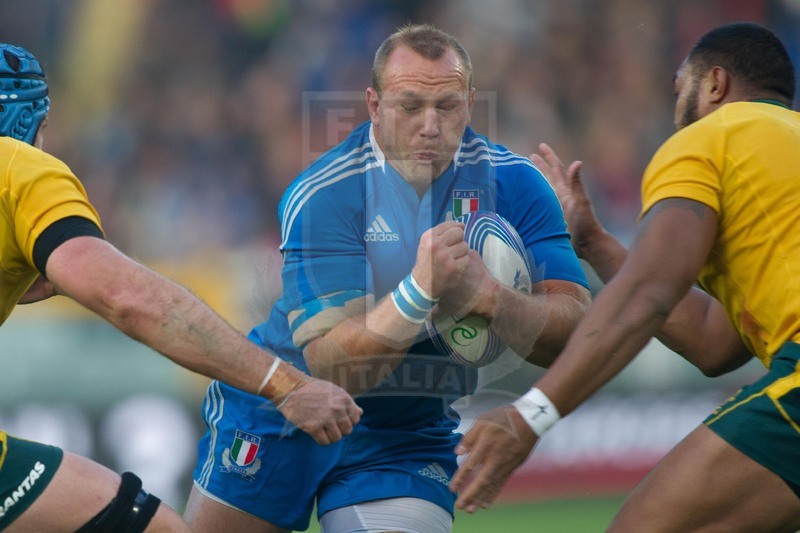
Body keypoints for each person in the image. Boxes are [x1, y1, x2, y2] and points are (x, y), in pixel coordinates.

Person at [185, 23, 591, 533]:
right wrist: (421, 292)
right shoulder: (325, 194)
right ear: (375, 106)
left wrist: (492, 298)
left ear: (469, 103)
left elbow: (576, 330)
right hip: (283, 409)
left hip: (402, 436)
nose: (429, 125)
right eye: (409, 105)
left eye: (446, 107)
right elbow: (331, 367)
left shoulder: (517, 185)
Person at [450, 21, 800, 532]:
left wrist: (532, 415)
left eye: (680, 88)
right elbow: (714, 343)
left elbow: (649, 292)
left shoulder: (708, 138)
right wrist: (594, 244)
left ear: (715, 85)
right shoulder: (777, 167)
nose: (676, 106)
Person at [0, 43, 362, 532]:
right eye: (45, 128)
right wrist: (284, 383)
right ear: (24, 120)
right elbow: (130, 300)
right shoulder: (19, 166)